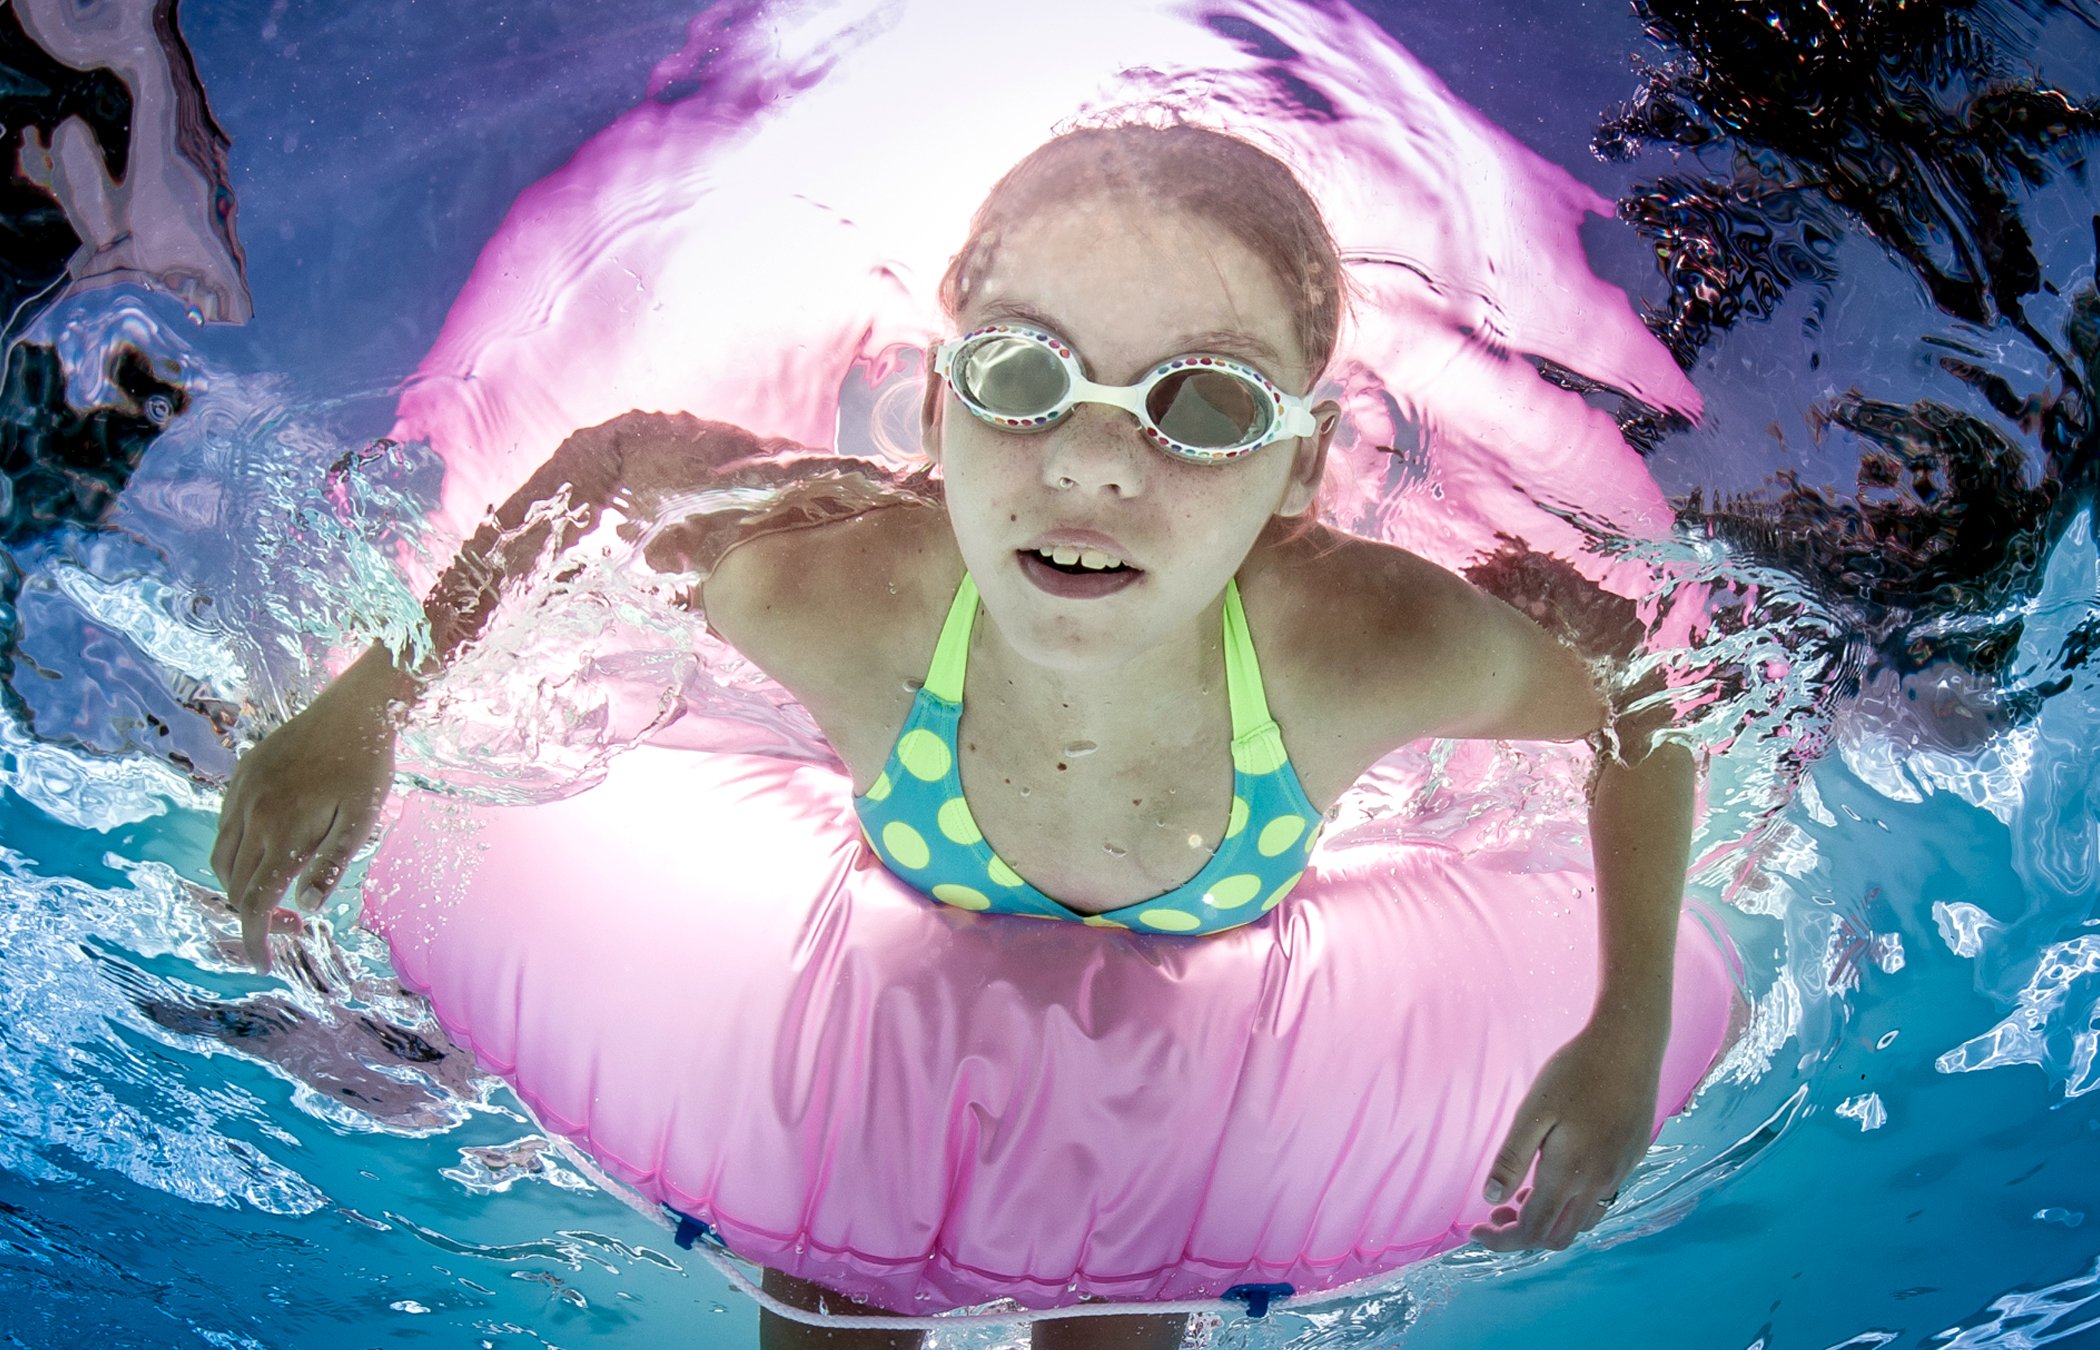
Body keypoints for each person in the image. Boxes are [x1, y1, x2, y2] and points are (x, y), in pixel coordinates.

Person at [213, 123, 1735, 1350]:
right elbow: (614, 470)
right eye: (1023, 377)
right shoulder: (859, 592)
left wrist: (1623, 1020)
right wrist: (369, 704)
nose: (1087, 462)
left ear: (1300, 471)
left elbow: (1635, 701)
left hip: (1185, 1060)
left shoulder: (1353, 650)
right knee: (834, 1305)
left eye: (1198, 404)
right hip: (885, 1012)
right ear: (938, 406)